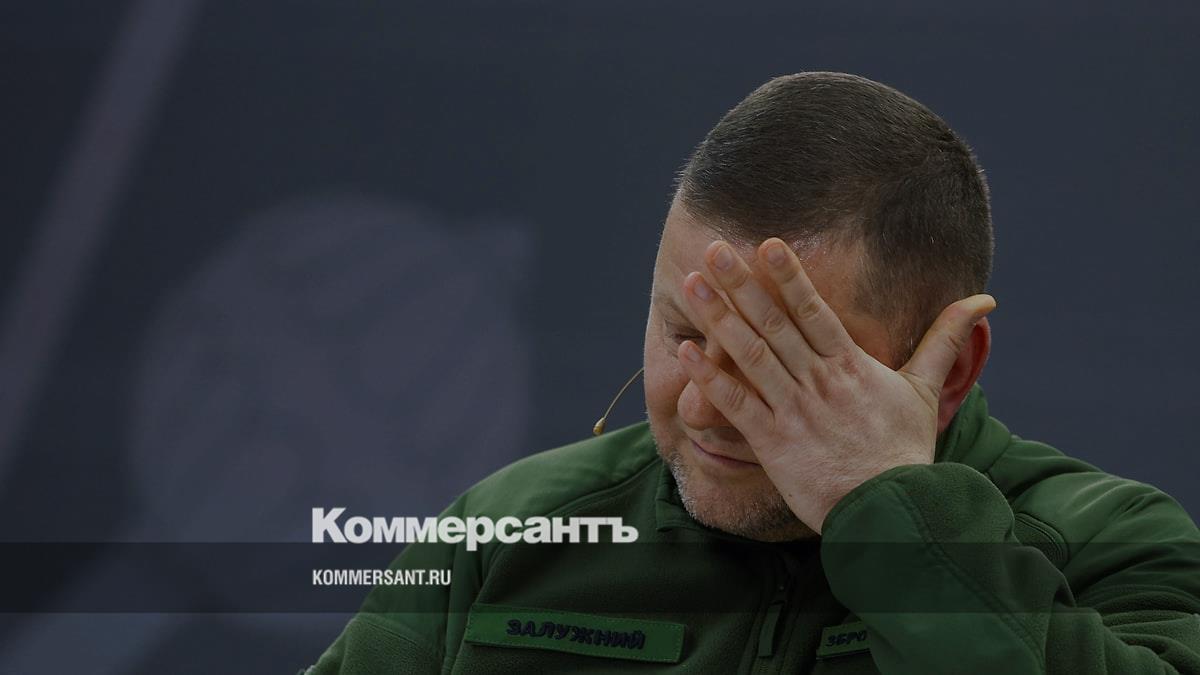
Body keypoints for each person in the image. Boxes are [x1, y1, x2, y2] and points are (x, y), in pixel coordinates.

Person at [303, 72, 1200, 674]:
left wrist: (897, 518)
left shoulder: (1108, 543)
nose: (704, 405)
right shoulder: (506, 530)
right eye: (682, 332)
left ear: (951, 366)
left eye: (781, 363)